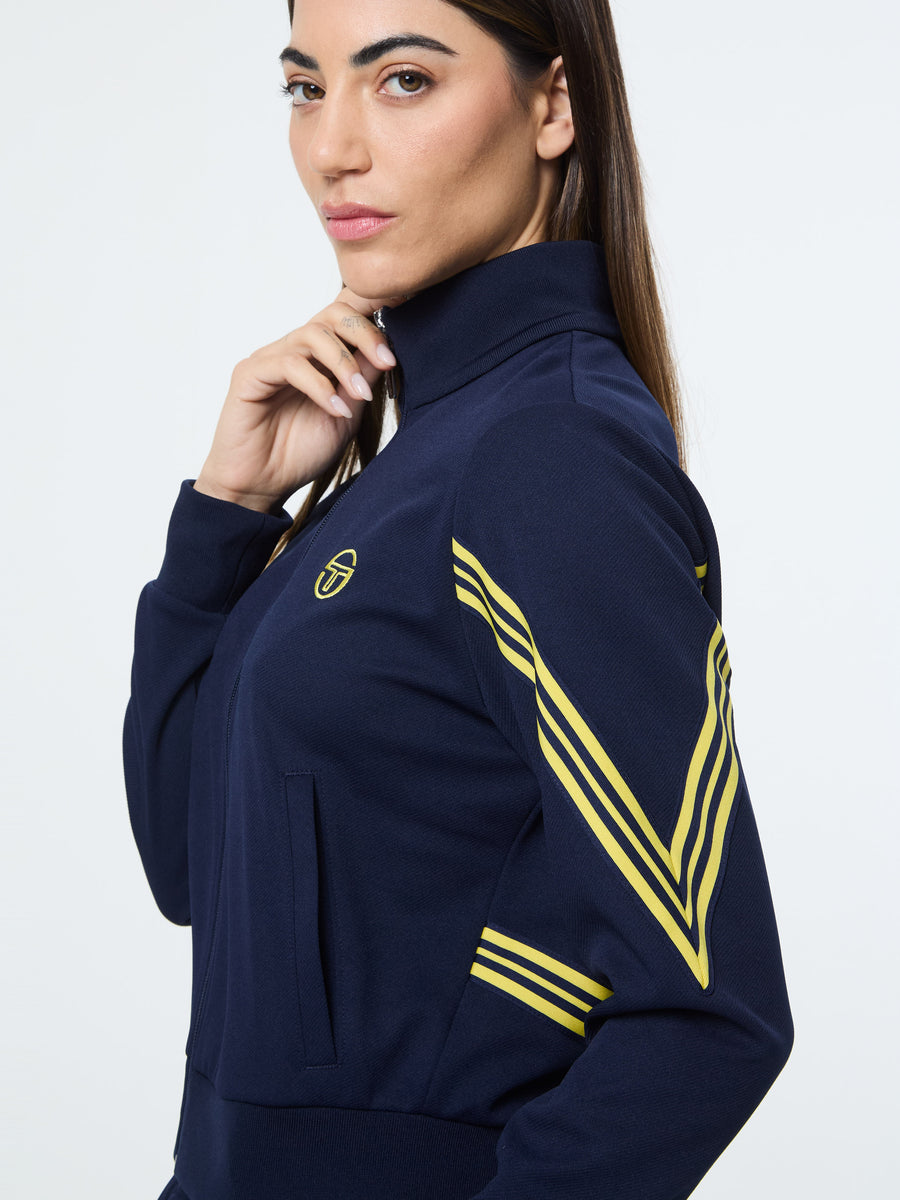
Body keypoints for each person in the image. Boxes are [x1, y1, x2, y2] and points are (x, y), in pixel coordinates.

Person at [123, 1, 793, 1197]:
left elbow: (711, 1012)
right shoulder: (413, 465)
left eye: (404, 81)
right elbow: (190, 863)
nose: (333, 149)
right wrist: (225, 516)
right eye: (305, 88)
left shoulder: (549, 458)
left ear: (554, 106)